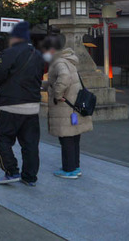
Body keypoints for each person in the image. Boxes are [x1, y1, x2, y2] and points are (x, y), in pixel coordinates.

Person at [0, 21, 44, 187]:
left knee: (1, 136)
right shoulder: (38, 55)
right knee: (30, 143)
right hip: (33, 106)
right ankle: (30, 177)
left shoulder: (10, 53)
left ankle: (11, 171)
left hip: (10, 104)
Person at [42, 35, 93, 179]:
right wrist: (45, 85)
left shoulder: (58, 62)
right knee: (74, 137)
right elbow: (61, 79)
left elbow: (64, 78)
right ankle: (75, 167)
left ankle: (68, 169)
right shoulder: (68, 60)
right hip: (73, 107)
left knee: (66, 139)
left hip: (65, 107)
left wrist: (57, 94)